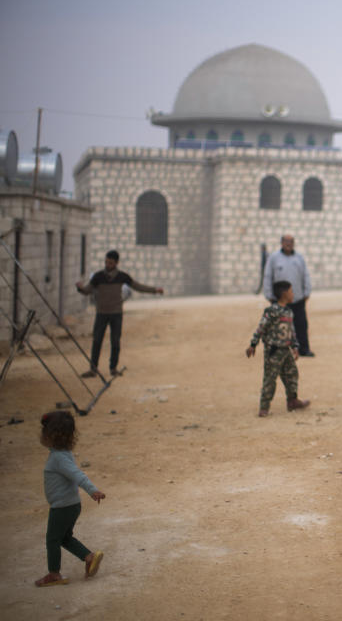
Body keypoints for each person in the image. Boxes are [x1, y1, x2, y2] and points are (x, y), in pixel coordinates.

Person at [35, 411, 106, 587]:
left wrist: (92, 490)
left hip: (62, 508)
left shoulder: (58, 458)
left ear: (49, 435)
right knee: (64, 538)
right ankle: (89, 557)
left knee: (53, 539)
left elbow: (77, 475)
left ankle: (54, 574)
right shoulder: (63, 453)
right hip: (70, 506)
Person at [75, 250, 164, 378]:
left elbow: (138, 286)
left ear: (116, 263)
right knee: (97, 341)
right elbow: (87, 290)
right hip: (101, 313)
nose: (107, 265)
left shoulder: (122, 276)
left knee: (115, 341)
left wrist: (155, 290)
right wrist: (80, 288)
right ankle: (93, 369)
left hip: (116, 313)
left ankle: (113, 368)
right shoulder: (98, 277)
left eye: (110, 263)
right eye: (106, 262)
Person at [246, 280, 310, 417]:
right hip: (273, 351)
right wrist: (253, 344)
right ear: (284, 294)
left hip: (286, 350)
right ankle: (264, 407)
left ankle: (292, 400)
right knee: (270, 378)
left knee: (292, 374)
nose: (293, 294)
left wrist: (295, 347)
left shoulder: (288, 311)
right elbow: (261, 328)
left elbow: (291, 331)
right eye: (291, 291)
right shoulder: (271, 311)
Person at [262, 234, 314, 357]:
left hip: (297, 299)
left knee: (301, 325)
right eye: (286, 241)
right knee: (277, 326)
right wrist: (268, 294)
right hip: (279, 300)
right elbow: (268, 276)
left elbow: (305, 275)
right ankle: (275, 350)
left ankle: (304, 349)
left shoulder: (299, 258)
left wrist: (307, 292)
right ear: (281, 242)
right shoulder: (274, 258)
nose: (288, 244)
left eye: (291, 241)